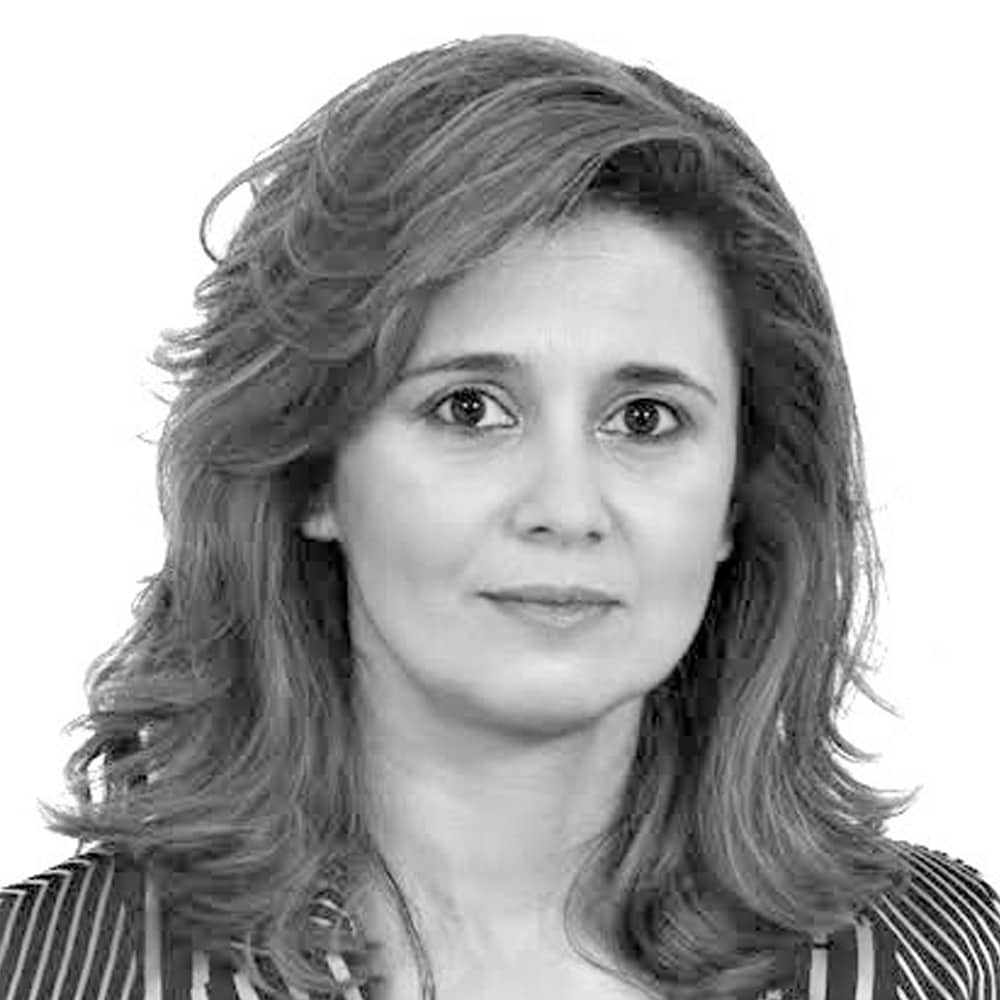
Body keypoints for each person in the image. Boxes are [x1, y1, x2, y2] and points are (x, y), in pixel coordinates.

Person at [1, 31, 997, 1000]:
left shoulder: (937, 965)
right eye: (469, 409)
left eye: (644, 419)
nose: (566, 508)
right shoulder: (45, 971)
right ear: (310, 471)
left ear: (740, 494)